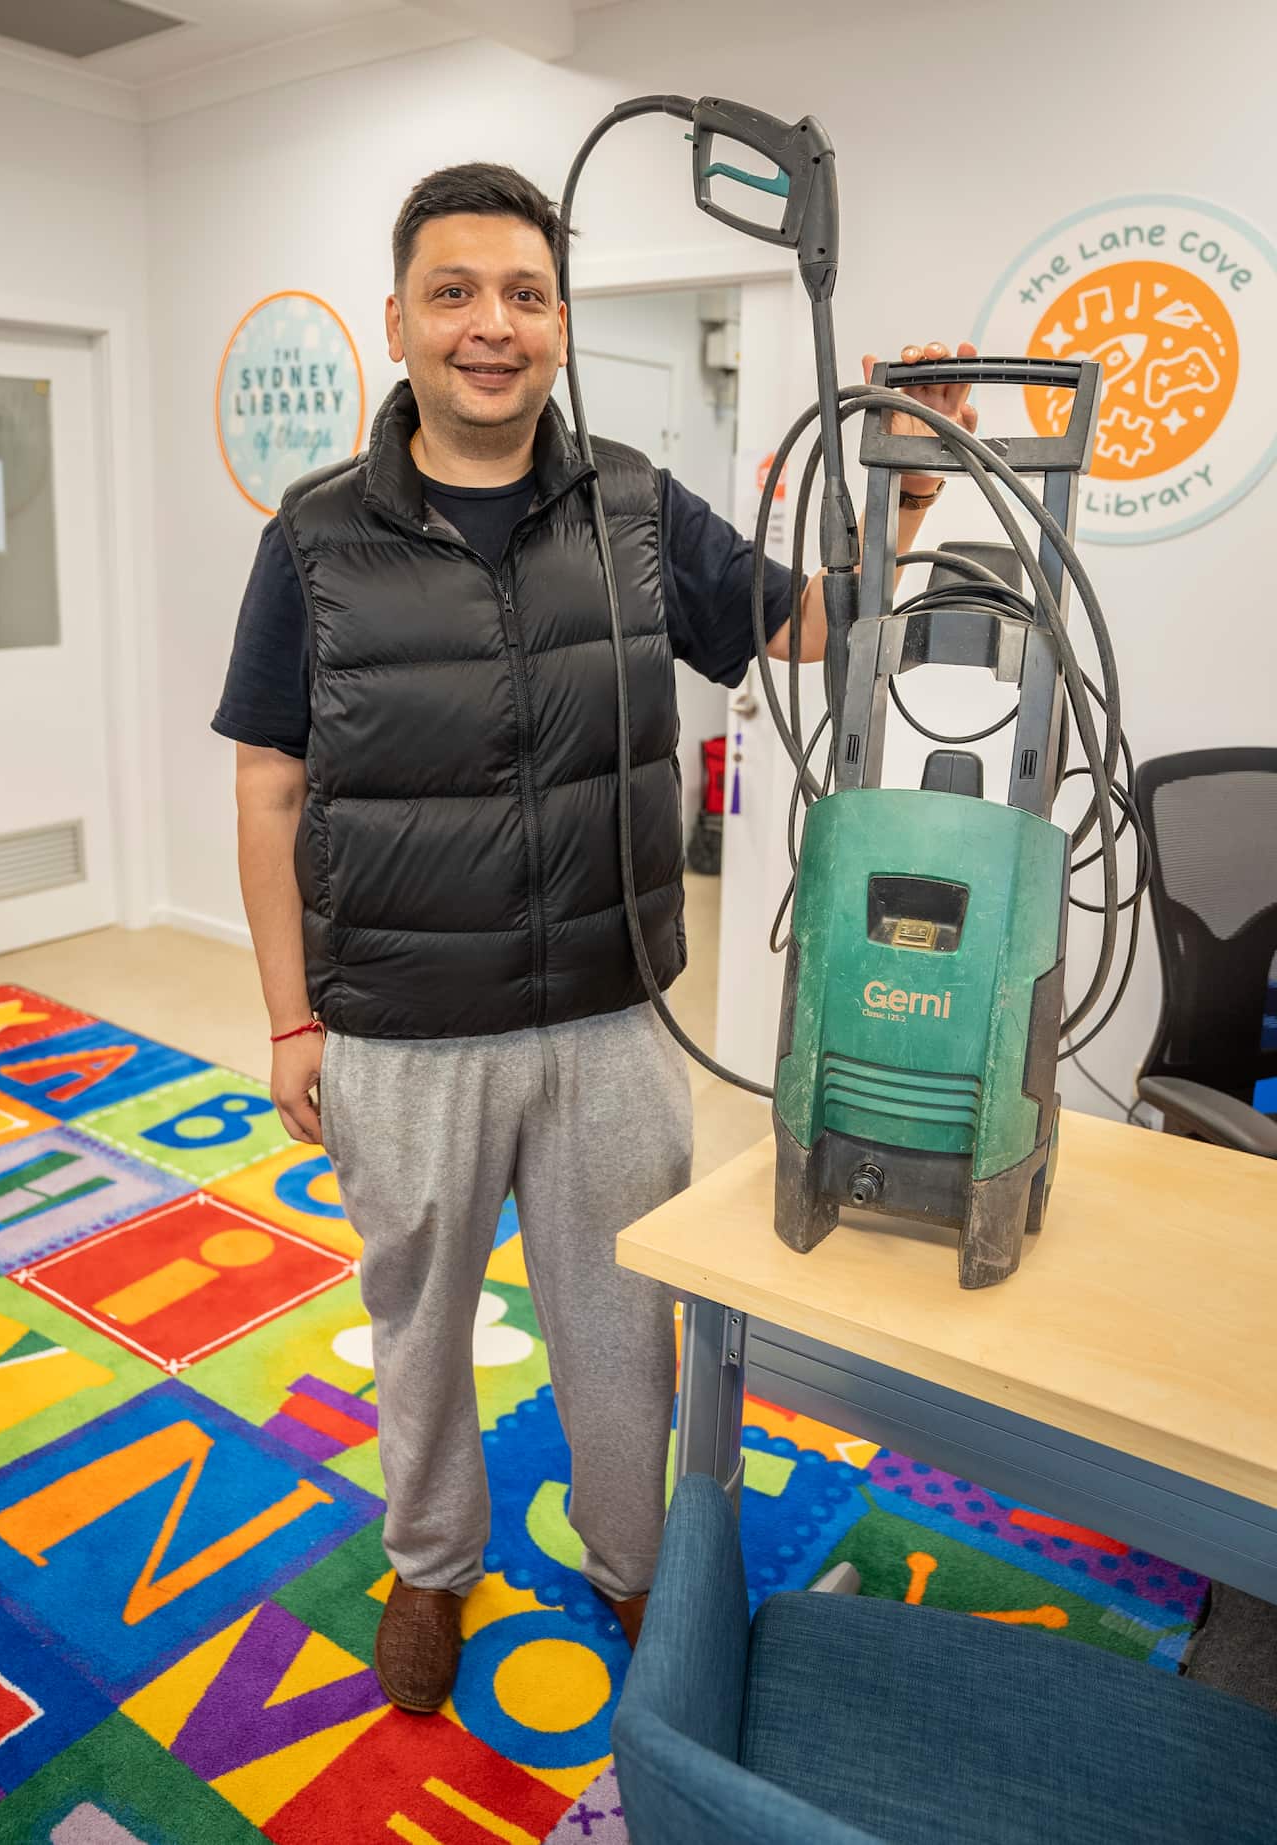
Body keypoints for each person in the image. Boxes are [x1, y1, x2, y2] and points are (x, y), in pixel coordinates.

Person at [212, 160, 977, 1713]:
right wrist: (294, 1021)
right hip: (403, 1029)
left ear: (559, 322)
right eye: (456, 293)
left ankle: (637, 1570)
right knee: (414, 1325)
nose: (491, 325)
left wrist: (903, 494)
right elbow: (271, 785)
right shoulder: (311, 539)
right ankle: (431, 1561)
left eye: (526, 294)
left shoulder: (633, 504)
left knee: (625, 1326)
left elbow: (798, 625)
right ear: (401, 322)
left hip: (612, 1023)